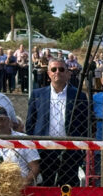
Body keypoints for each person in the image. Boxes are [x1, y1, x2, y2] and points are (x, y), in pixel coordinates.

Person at [26, 58, 90, 187]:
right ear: (48, 73)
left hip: (70, 149)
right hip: (45, 148)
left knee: (69, 185)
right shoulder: (37, 95)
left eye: (61, 69)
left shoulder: (78, 96)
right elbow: (30, 123)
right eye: (54, 69)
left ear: (67, 73)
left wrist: (81, 148)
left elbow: (84, 123)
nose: (57, 72)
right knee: (47, 185)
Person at [0, 107, 40, 185]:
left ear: (9, 122)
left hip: (20, 186)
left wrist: (24, 183)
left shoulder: (24, 139)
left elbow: (34, 167)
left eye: (2, 120)